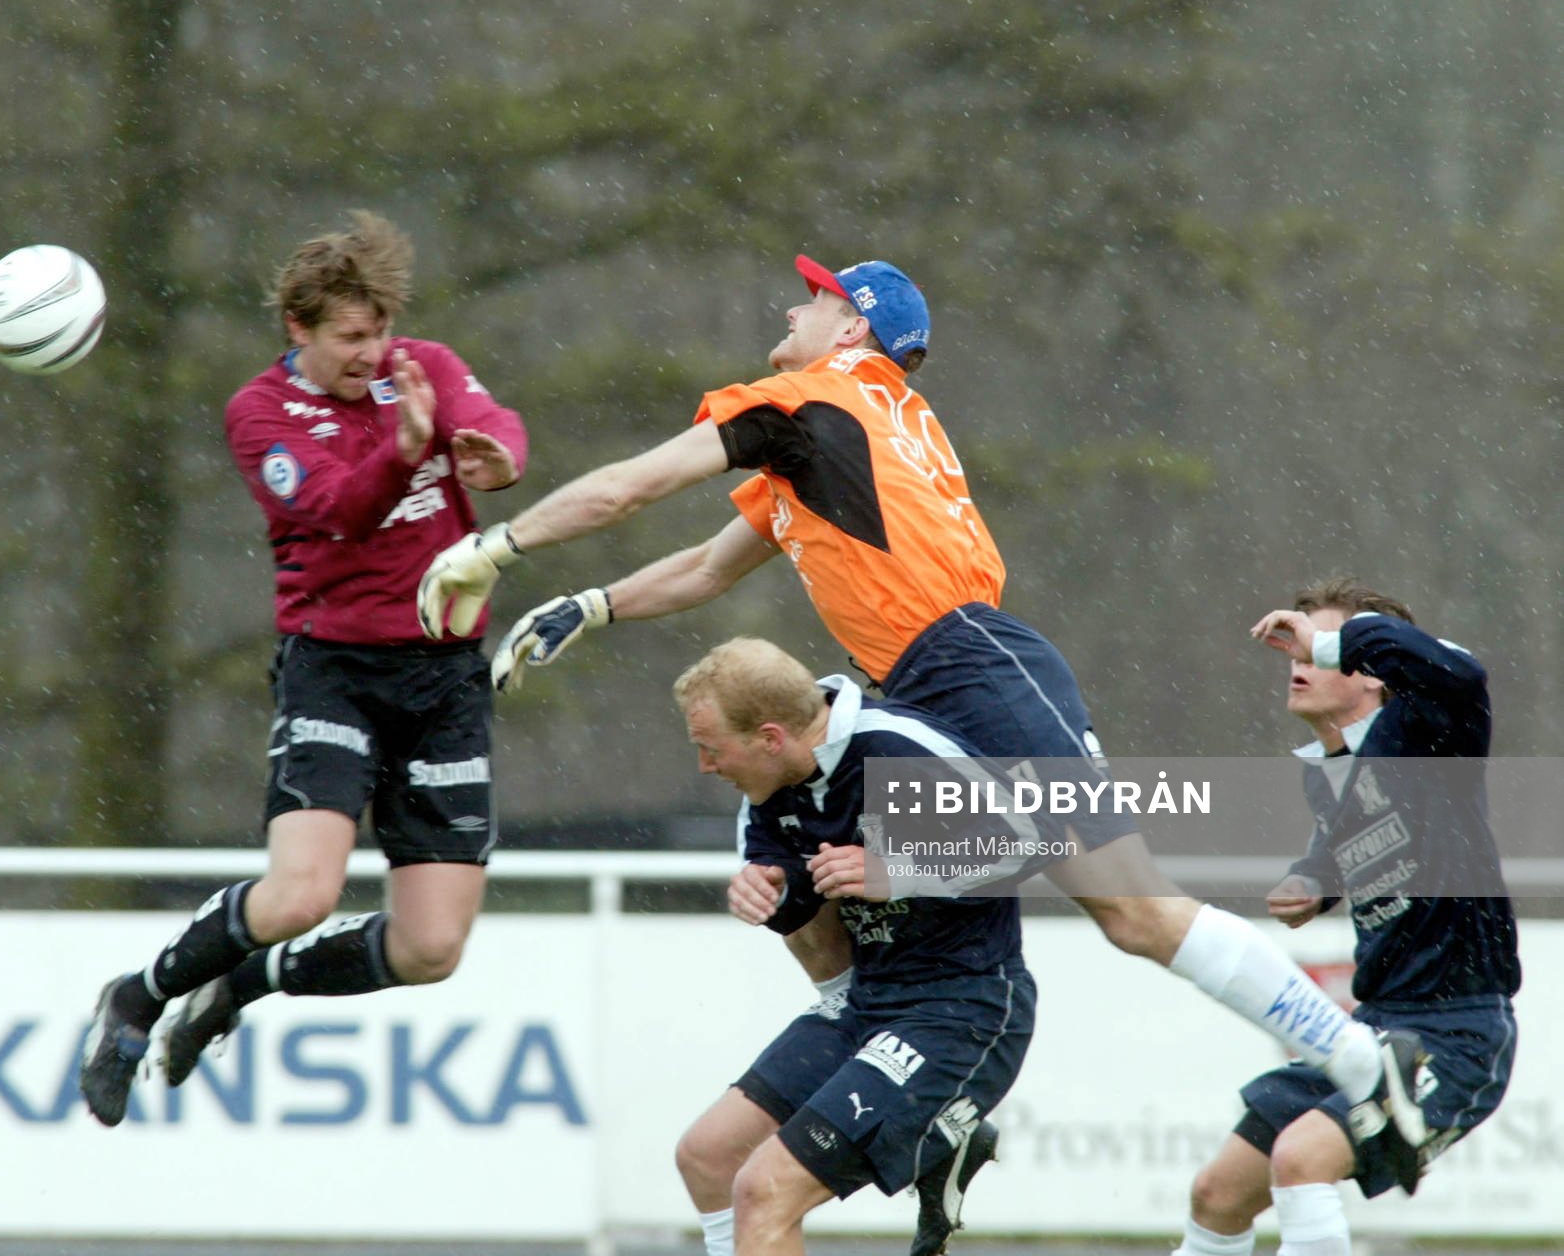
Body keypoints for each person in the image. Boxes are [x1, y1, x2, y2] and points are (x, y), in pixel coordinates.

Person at [414, 253, 1430, 1184]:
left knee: (1131, 908)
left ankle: (1351, 1053)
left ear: (851, 330)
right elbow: (702, 565)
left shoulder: (810, 403)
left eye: (812, 299)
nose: (789, 307)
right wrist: (590, 605)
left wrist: (496, 545)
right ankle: (937, 1109)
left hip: (972, 665)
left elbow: (635, 487)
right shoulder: (843, 429)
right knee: (916, 894)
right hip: (934, 675)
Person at [79, 211, 528, 1127]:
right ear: (299, 328)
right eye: (350, 338)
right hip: (338, 669)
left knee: (433, 946)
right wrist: (405, 454)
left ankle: (240, 989)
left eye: (380, 332)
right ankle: (139, 995)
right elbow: (336, 510)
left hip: (445, 679)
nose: (372, 354)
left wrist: (496, 456)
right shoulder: (260, 414)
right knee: (301, 893)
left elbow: (494, 424)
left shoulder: (424, 367)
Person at [1173, 580, 1519, 1256]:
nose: (1298, 660)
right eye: (1295, 648)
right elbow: (1368, 830)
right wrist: (1318, 878)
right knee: (1218, 1193)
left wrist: (1334, 637)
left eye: (1318, 650)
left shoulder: (1430, 726)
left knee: (1300, 1161)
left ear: (1373, 676)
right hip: (1367, 1032)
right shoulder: (1328, 769)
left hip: (1455, 1031)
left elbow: (1464, 670)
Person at [669, 638, 1031, 1256]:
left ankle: (937, 1130)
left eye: (710, 748)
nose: (705, 766)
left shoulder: (897, 749)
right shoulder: (769, 791)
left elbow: (1035, 844)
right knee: (706, 1156)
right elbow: (796, 896)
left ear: (771, 736)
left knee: (764, 1190)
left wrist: (900, 868)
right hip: (864, 1004)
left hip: (960, 1007)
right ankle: (941, 1142)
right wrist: (767, 894)